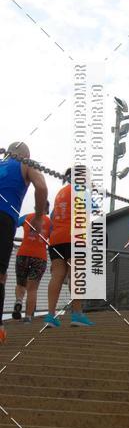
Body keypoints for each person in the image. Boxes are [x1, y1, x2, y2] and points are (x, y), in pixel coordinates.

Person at [0, 143, 48, 342]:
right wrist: (38, 216)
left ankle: (17, 307)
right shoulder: (25, 163)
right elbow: (42, 186)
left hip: (23, 252)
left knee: (19, 283)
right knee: (2, 276)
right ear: (26, 154)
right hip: (4, 218)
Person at [44, 168, 95, 328]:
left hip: (56, 239)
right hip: (75, 237)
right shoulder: (82, 191)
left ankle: (51, 316)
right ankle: (77, 314)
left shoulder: (60, 192)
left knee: (57, 275)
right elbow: (92, 208)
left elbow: (52, 216)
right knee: (76, 274)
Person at [12, 201, 51, 322]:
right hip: (39, 256)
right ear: (47, 209)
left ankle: (19, 300)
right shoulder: (50, 223)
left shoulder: (26, 217)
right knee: (32, 289)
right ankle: (28, 317)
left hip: (23, 253)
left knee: (20, 284)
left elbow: (14, 224)